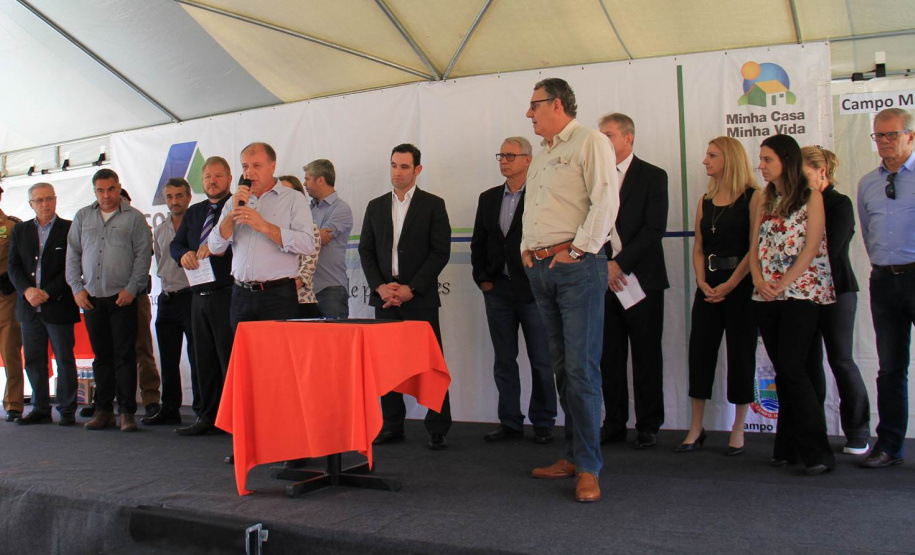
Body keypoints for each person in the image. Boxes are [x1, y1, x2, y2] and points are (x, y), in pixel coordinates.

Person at [522, 78, 619, 503]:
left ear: (557, 104)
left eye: (535, 105)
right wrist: (526, 249)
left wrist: (578, 251)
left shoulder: (590, 141)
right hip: (542, 269)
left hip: (577, 268)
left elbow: (606, 202)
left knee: (581, 370)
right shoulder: (543, 154)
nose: (529, 113)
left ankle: (589, 468)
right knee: (562, 368)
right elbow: (534, 207)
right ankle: (574, 455)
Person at [750, 134, 835, 475]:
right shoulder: (763, 198)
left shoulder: (811, 197)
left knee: (792, 366)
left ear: (786, 161)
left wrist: (782, 284)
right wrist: (759, 280)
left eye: (767, 159)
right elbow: (754, 246)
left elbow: (812, 247)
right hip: (766, 294)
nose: (761, 166)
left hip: (802, 292)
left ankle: (818, 452)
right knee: (783, 370)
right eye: (761, 159)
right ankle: (787, 446)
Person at [358, 143, 452, 450]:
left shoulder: (433, 205)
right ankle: (391, 425)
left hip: (419, 297)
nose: (397, 172)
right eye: (393, 165)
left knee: (430, 364)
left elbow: (440, 252)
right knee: (386, 365)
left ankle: (437, 427)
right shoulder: (375, 206)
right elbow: (366, 250)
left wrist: (413, 288)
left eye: (404, 167)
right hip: (384, 297)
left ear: (417, 170)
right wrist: (380, 287)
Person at [470, 136, 557, 445]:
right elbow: (479, 242)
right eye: (501, 155)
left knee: (542, 360)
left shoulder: (542, 195)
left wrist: (543, 280)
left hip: (534, 290)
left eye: (510, 156)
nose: (504, 161)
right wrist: (483, 280)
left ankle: (543, 420)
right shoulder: (488, 198)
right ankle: (510, 421)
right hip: (497, 290)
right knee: (504, 359)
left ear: (528, 160)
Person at [677, 137, 759, 455]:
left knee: (741, 353)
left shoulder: (754, 197)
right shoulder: (706, 200)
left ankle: (738, 428)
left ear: (730, 160)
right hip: (708, 286)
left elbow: (754, 248)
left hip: (741, 286)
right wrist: (701, 280)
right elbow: (699, 247)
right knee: (700, 352)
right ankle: (696, 426)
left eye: (712, 155)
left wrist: (731, 284)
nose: (705, 160)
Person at [596, 113, 669, 449]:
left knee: (646, 355)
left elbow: (654, 230)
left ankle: (648, 424)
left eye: (609, 134)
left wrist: (619, 264)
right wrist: (604, 266)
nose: (603, 140)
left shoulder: (653, 176)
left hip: (642, 280)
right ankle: (614, 422)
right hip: (603, 281)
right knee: (609, 357)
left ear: (628, 138)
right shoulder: (594, 177)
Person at [66, 169, 152, 431]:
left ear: (118, 187)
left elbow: (143, 256)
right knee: (101, 356)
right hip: (91, 298)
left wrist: (132, 289)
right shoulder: (83, 216)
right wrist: (77, 288)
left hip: (122, 298)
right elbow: (72, 254)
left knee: (124, 355)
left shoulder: (134, 218)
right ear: (95, 191)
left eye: (111, 189)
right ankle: (103, 410)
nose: (106, 195)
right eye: (100, 190)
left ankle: (126, 412)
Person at [801, 146, 870, 456]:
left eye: (803, 173)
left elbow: (829, 249)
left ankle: (857, 431)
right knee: (808, 361)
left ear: (822, 171)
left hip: (837, 290)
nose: (797, 179)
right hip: (803, 293)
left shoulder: (839, 203)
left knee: (841, 359)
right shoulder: (796, 204)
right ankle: (812, 431)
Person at [857, 108, 915, 469]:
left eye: (891, 134)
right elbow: (867, 233)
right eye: (878, 135)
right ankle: (889, 445)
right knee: (890, 367)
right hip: (883, 279)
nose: (884, 142)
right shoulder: (868, 183)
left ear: (911, 136)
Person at [209, 142, 315, 330]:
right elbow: (215, 247)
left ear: (272, 166)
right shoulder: (234, 201)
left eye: (256, 165)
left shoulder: (293, 199)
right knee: (244, 349)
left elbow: (307, 244)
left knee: (278, 349)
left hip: (278, 296)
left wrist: (264, 226)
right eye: (245, 166)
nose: (249, 172)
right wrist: (232, 215)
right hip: (241, 295)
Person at [171, 156, 236, 437]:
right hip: (198, 295)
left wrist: (217, 246)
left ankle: (233, 421)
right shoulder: (195, 212)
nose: (212, 181)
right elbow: (176, 244)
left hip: (227, 294)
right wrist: (183, 254)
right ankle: (206, 416)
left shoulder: (237, 208)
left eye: (218, 176)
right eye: (208, 176)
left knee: (228, 360)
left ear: (229, 179)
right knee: (203, 359)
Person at [7, 183, 79, 425]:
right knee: (34, 360)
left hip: (58, 304)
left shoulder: (69, 229)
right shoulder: (20, 230)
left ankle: (67, 408)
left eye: (49, 199)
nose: (45, 204)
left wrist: (47, 292)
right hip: (29, 307)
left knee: (64, 359)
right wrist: (27, 290)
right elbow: (13, 267)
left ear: (56, 200)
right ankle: (40, 408)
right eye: (39, 200)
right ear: (31, 204)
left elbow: (72, 267)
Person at [145, 178, 198, 426]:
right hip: (167, 298)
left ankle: (203, 410)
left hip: (192, 297)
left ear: (189, 197)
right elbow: (161, 264)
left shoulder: (197, 227)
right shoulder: (160, 230)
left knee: (198, 357)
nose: (174, 201)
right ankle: (169, 408)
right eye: (169, 197)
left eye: (179, 196)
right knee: (167, 358)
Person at [303, 159, 354, 319]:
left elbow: (323, 237)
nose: (304, 184)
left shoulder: (341, 208)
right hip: (305, 290)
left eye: (307, 179)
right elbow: (316, 235)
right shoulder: (307, 209)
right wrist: (312, 233)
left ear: (320, 180)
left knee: (335, 335)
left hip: (331, 288)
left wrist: (301, 234)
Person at [278, 175, 321, 318]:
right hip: (274, 302)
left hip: (301, 302)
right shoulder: (271, 229)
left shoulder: (310, 228)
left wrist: (279, 290)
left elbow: (306, 271)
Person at [0, 186, 23, 423]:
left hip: (5, 298)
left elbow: (21, 261)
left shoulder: (12, 227)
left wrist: (12, 279)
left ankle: (13, 403)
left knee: (10, 352)